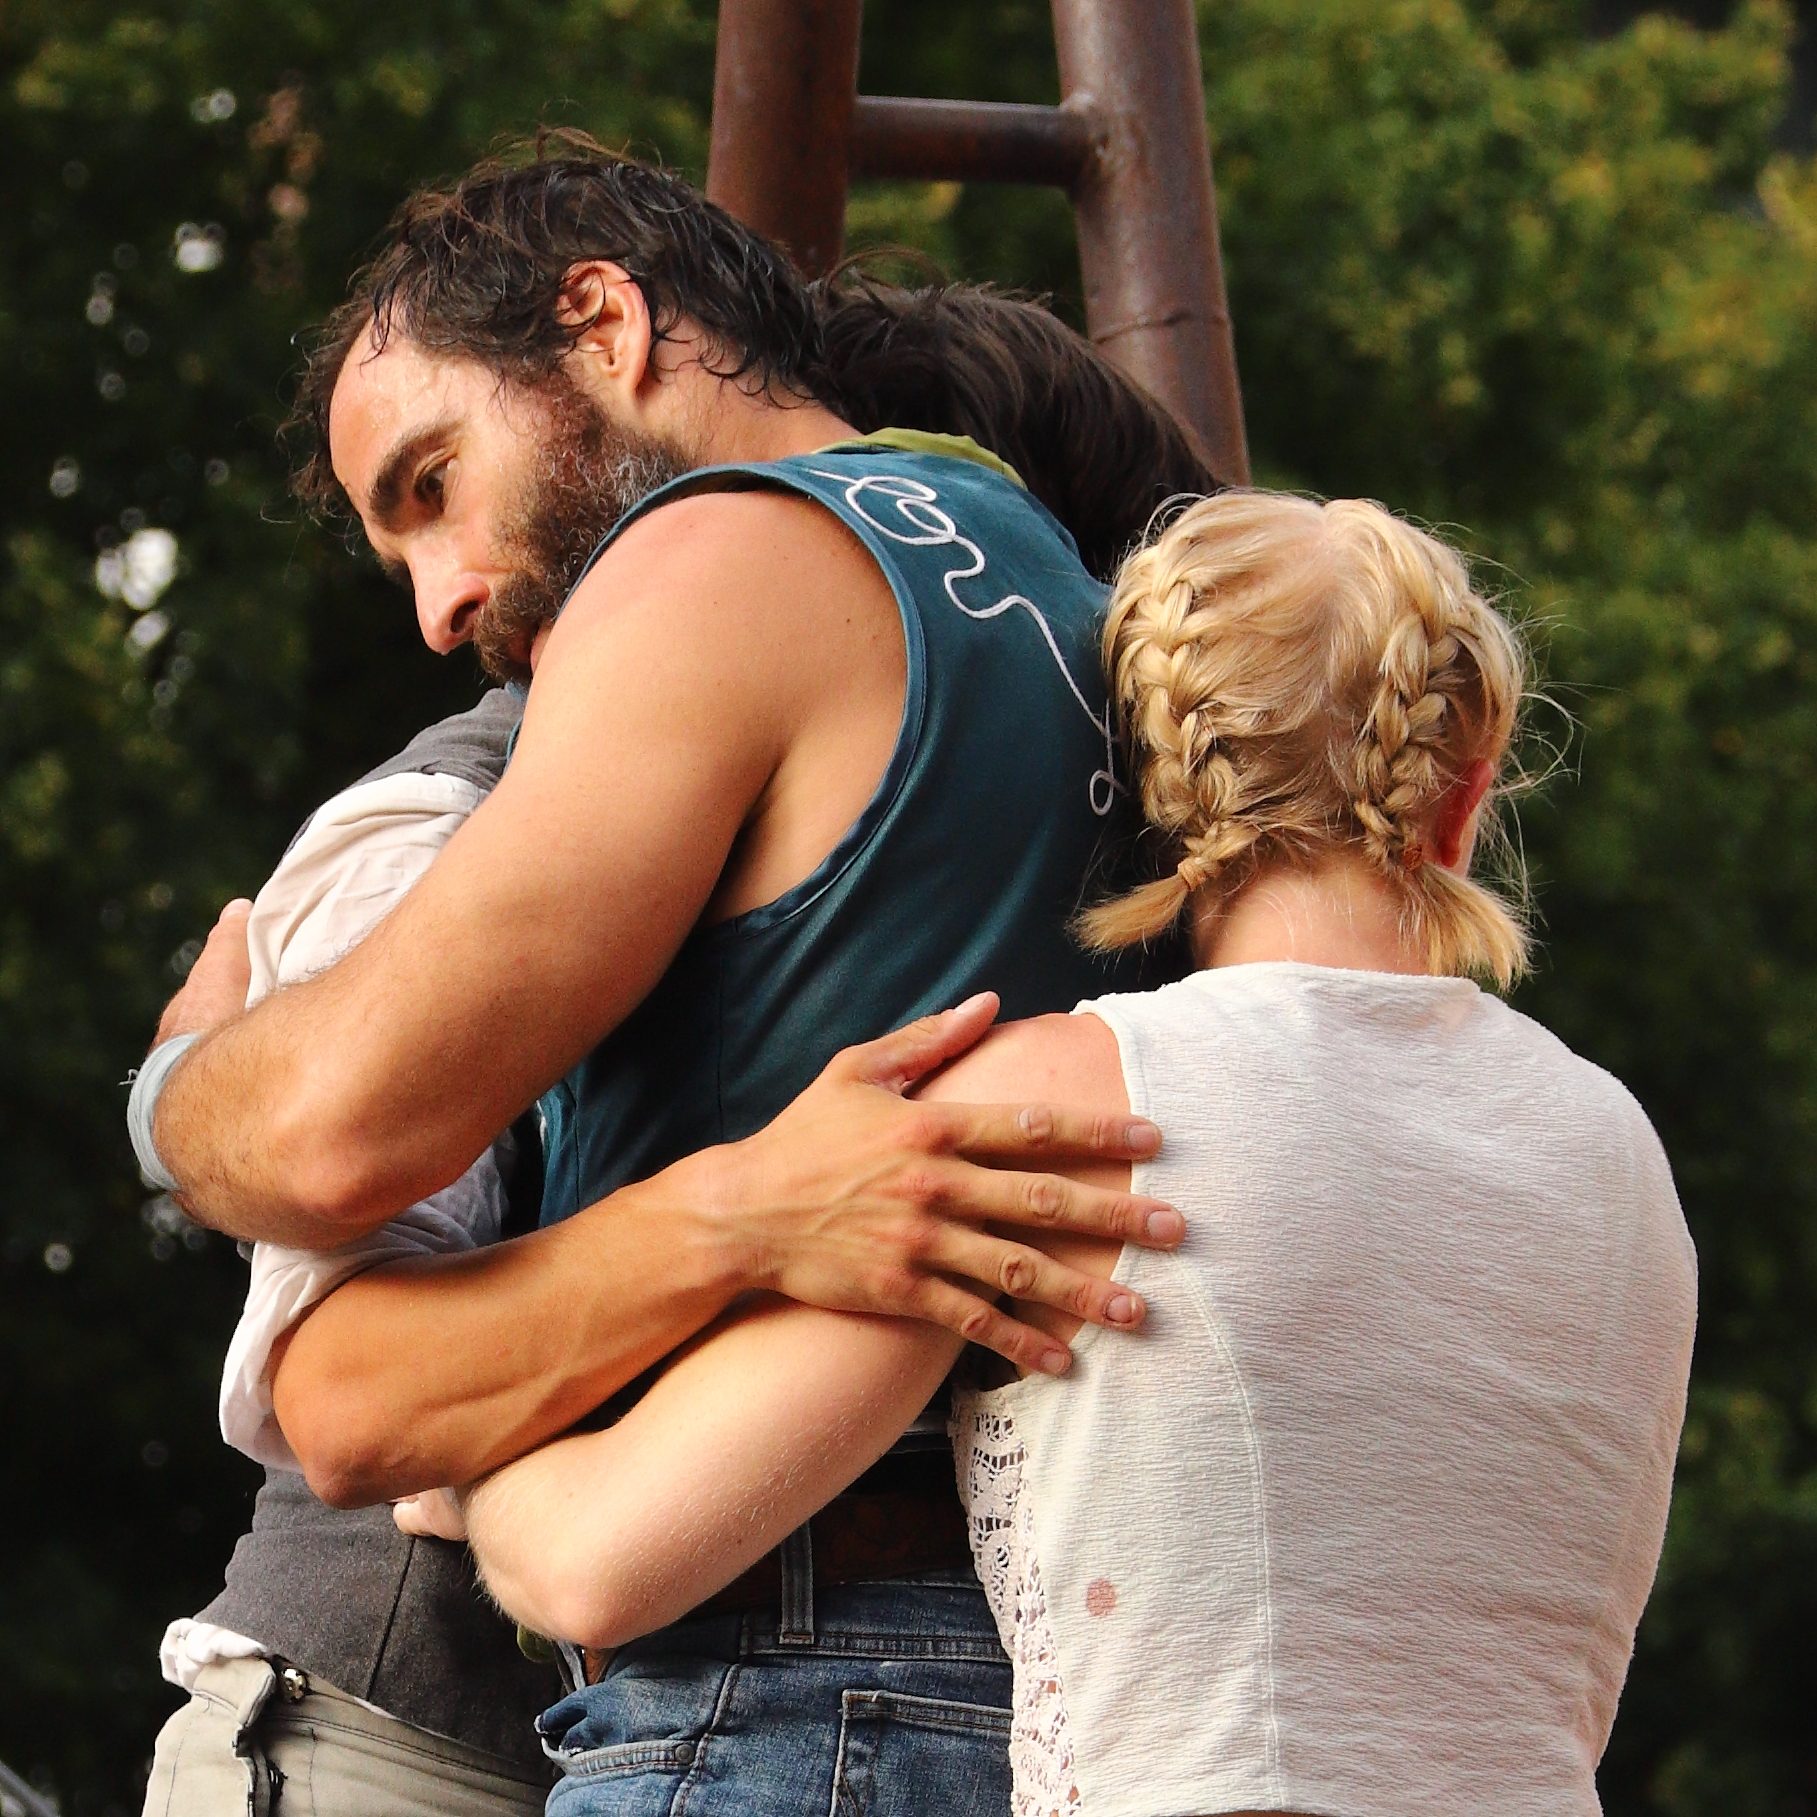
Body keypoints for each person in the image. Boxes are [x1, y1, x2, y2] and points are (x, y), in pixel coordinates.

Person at [132, 152, 1212, 1815]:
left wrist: (174, 1082)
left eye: (434, 483)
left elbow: (327, 1150)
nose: (440, 607)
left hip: (763, 1677)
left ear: (604, 321)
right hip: (1051, 1658)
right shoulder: (1075, 600)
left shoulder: (715, 557)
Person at [428, 493, 1697, 1817]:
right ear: (1466, 785)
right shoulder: (1617, 1153)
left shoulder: (1067, 1105)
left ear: (1161, 786)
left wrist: (476, 1471)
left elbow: (598, 1565)